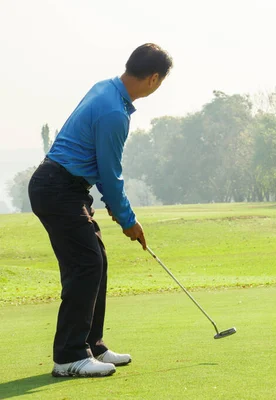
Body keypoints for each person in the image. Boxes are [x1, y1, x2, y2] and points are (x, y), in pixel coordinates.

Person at [28, 43, 173, 378]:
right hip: (58, 187)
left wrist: (116, 208)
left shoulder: (106, 87)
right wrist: (128, 220)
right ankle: (69, 356)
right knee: (86, 263)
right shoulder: (114, 113)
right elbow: (110, 173)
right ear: (153, 79)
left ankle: (92, 344)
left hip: (64, 187)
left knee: (97, 260)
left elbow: (102, 171)